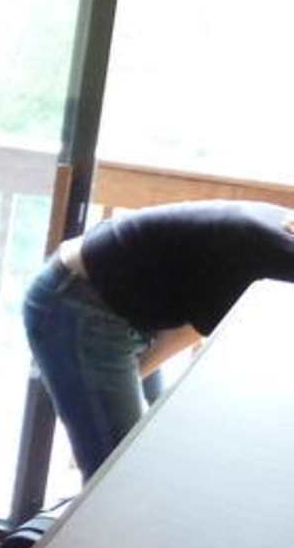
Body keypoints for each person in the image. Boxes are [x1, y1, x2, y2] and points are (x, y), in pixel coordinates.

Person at [22, 198, 294, 479]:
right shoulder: (281, 259)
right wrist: (109, 395)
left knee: (145, 451)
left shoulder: (283, 236)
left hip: (124, 306)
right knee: (119, 474)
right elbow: (191, 330)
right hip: (78, 302)